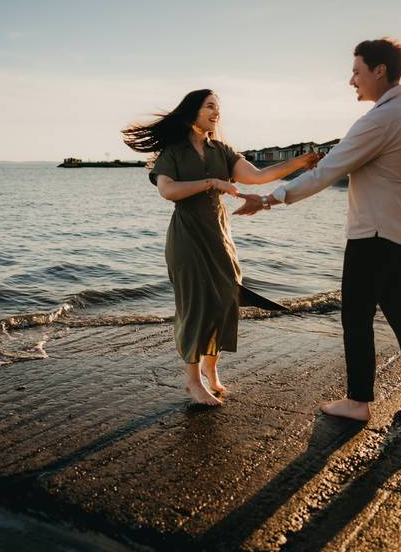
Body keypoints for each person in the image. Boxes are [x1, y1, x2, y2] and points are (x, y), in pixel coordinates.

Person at [233, 37, 401, 421]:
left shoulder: (381, 119)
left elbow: (327, 172)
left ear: (379, 71)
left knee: (357, 316)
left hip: (377, 235)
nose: (352, 81)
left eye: (356, 71)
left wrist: (267, 199)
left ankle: (358, 402)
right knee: (398, 308)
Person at [122, 90, 320, 406]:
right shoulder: (173, 153)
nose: (217, 112)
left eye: (219, 108)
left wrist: (301, 162)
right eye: (210, 107)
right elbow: (168, 191)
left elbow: (259, 176)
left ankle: (211, 372)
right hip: (187, 238)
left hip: (219, 236)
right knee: (195, 306)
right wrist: (212, 183)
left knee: (226, 300)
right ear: (192, 113)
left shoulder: (222, 151)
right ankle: (192, 380)